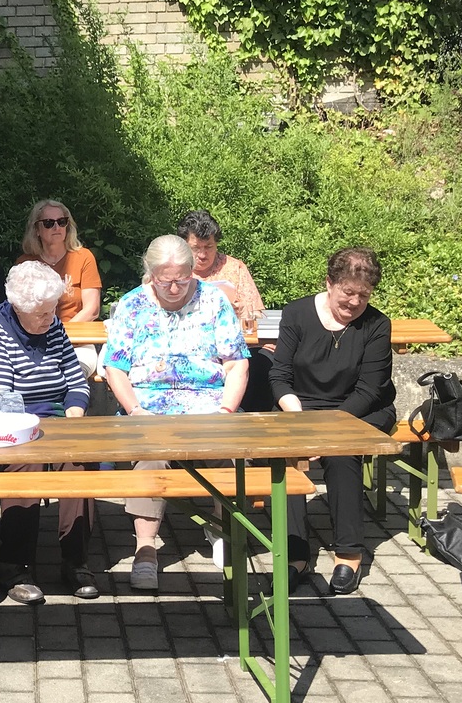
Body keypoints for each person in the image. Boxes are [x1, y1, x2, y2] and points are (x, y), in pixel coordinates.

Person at [102, 234, 249, 591]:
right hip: (148, 407)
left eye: (181, 280)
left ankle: (223, 531)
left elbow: (237, 363)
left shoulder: (213, 300)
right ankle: (145, 548)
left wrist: (226, 410)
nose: (173, 288)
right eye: (164, 280)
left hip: (209, 403)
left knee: (228, 451)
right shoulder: (132, 304)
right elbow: (115, 368)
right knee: (151, 455)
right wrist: (135, 410)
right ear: (150, 273)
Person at [269, 247, 397, 595]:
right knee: (287, 455)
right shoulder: (296, 314)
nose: (355, 302)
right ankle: (294, 554)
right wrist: (301, 422)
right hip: (301, 407)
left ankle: (349, 552)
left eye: (364, 295)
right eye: (348, 292)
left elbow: (370, 390)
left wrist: (324, 432)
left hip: (359, 408)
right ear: (329, 283)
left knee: (342, 453)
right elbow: (279, 376)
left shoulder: (377, 325)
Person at [0, 262, 96, 601]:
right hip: (5, 422)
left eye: (53, 310)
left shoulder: (52, 324)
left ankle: (75, 560)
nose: (50, 319)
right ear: (17, 308)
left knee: (79, 460)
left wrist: (74, 411)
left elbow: (75, 379)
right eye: (41, 314)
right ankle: (13, 566)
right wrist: (43, 430)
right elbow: (0, 401)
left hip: (54, 416)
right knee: (27, 462)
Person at [17, 199, 102, 324]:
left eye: (62, 222)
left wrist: (62, 332)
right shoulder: (25, 264)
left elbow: (92, 310)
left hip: (76, 332)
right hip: (37, 332)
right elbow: (20, 310)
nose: (57, 227)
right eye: (48, 223)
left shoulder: (84, 257)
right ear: (36, 230)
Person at [177, 210, 265, 326]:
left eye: (209, 247)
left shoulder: (235, 268)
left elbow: (256, 314)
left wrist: (241, 311)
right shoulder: (174, 270)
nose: (202, 255)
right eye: (196, 248)